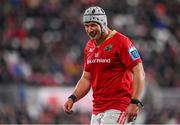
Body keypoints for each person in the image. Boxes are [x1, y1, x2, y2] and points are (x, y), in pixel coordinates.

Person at [64, 6, 145, 125]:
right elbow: (86, 78)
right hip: (97, 109)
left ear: (103, 23)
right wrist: (72, 98)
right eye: (86, 26)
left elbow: (139, 71)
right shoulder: (89, 46)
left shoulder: (121, 42)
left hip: (119, 106)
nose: (89, 30)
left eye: (93, 25)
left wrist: (135, 102)